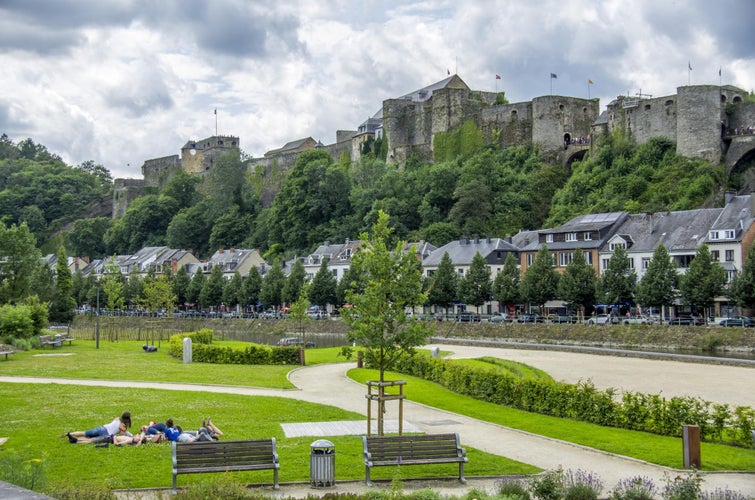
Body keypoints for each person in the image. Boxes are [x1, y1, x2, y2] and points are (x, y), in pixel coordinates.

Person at [62, 411, 132, 443]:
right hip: (106, 434)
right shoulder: (123, 425)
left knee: (84, 433)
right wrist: (130, 435)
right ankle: (72, 440)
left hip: (102, 428)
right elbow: (122, 434)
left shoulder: (117, 419)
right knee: (89, 439)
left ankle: (69, 434)